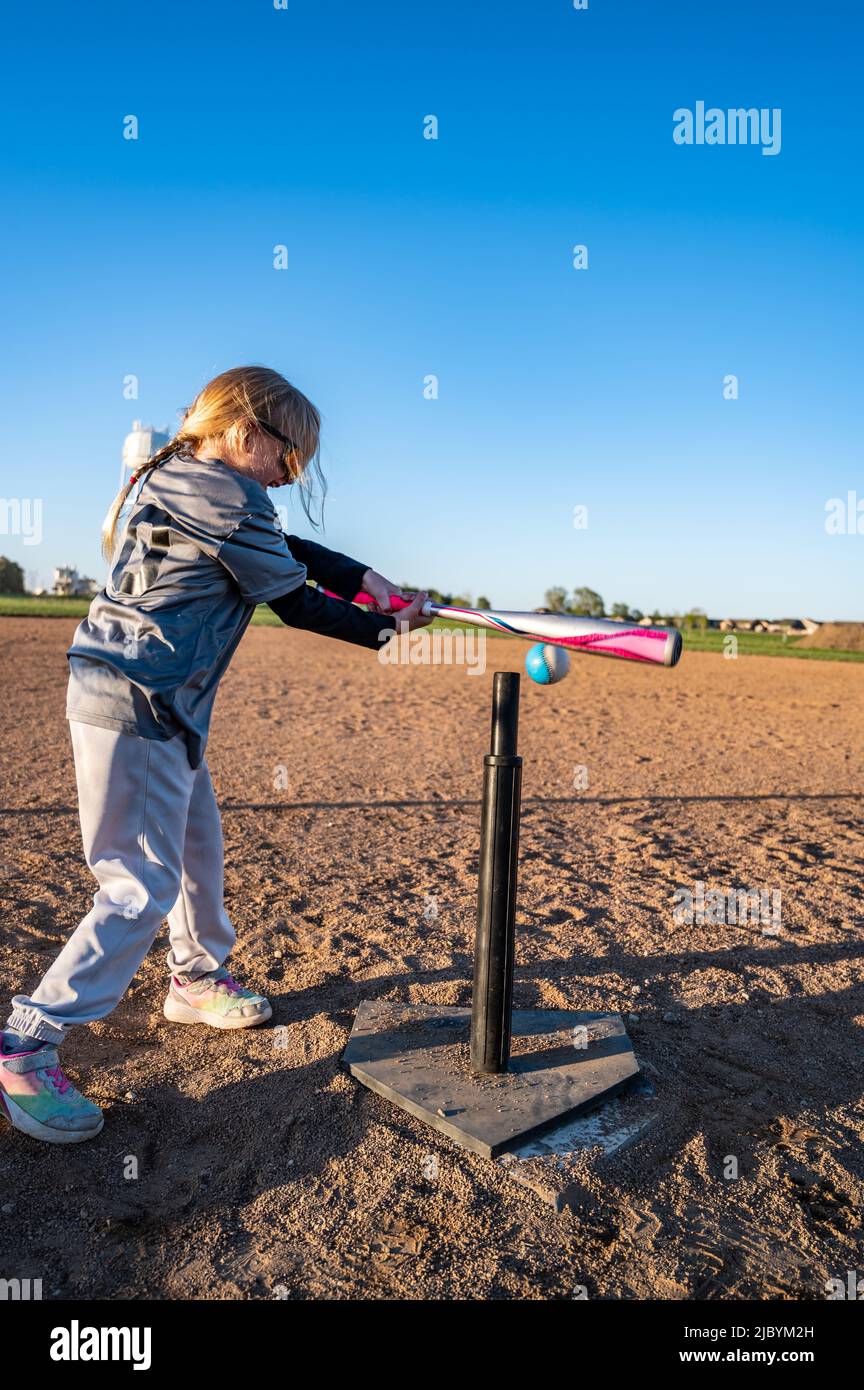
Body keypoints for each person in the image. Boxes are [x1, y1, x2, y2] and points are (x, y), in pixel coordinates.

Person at [0, 365, 431, 1143]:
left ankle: (196, 979)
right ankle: (28, 1041)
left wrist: (368, 580)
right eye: (290, 454)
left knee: (198, 846)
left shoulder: (193, 476)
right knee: (140, 884)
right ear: (244, 433)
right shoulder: (226, 494)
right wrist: (387, 629)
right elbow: (293, 600)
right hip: (137, 699)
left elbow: (288, 548)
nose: (292, 473)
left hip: (158, 701)